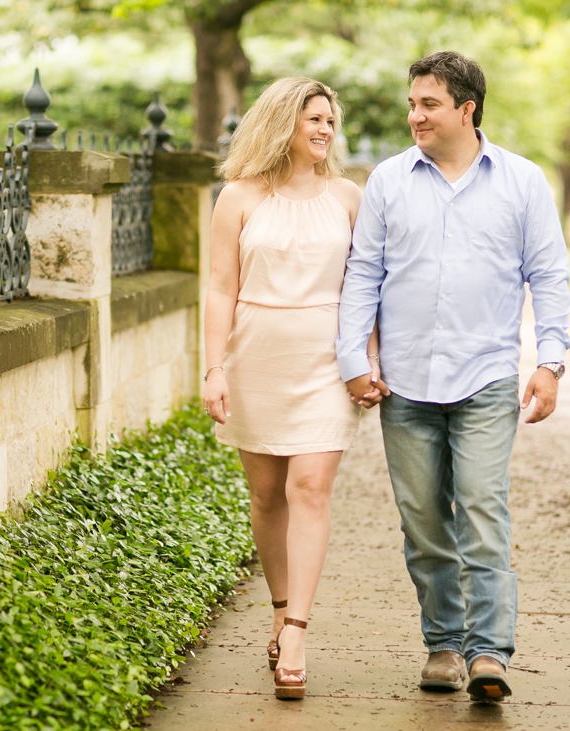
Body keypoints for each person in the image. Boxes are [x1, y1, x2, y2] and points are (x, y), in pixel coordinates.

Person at [336, 51, 570, 703]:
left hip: (487, 378)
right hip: (404, 384)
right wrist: (354, 358)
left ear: (467, 109)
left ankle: (488, 650)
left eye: (428, 104)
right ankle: (443, 644)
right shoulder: (387, 181)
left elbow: (548, 275)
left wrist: (549, 362)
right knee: (424, 522)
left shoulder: (522, 182)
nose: (415, 115)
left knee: (481, 509)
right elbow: (363, 273)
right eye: (412, 103)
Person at [202, 76, 376, 700]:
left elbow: (367, 287)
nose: (326, 130)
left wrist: (369, 358)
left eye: (330, 120)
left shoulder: (350, 197)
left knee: (310, 486)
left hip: (326, 360)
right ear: (284, 124)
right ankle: (278, 608)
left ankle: (297, 632)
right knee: (267, 493)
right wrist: (214, 368)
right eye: (314, 120)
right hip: (256, 357)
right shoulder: (239, 197)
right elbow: (221, 286)